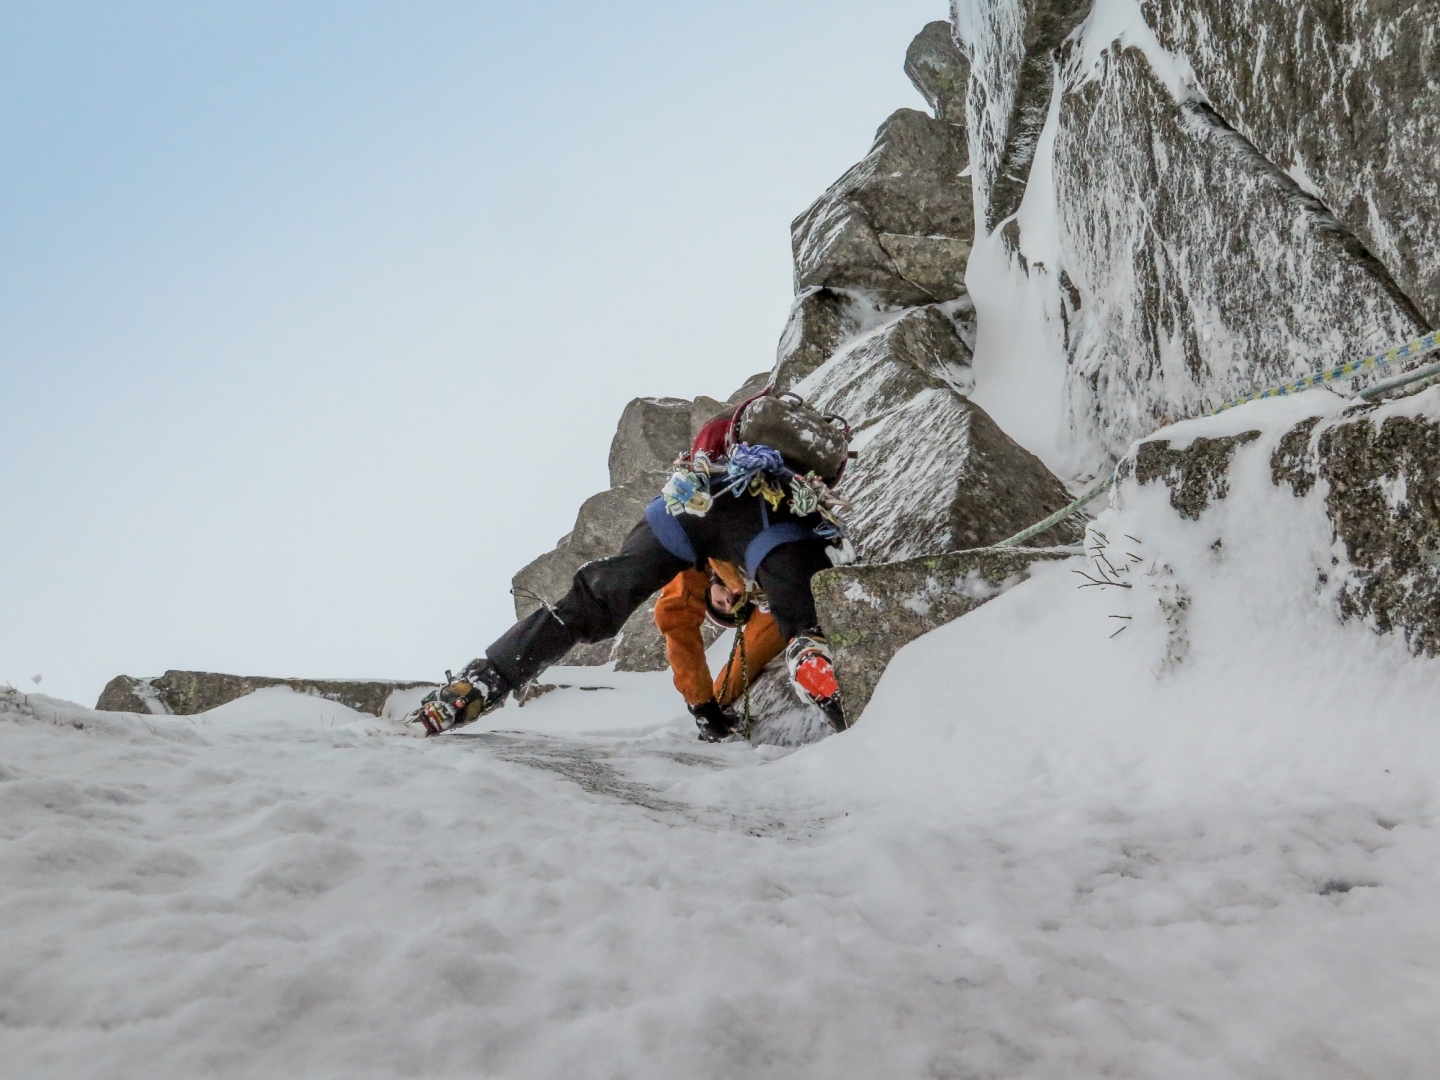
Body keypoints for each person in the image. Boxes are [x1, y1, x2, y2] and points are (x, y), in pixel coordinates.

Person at [405, 391, 851, 740]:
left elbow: (708, 635)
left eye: (726, 604)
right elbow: (679, 624)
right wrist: (706, 707)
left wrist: (707, 706)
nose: (731, 596)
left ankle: (487, 678)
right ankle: (812, 655)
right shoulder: (703, 579)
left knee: (599, 596)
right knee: (793, 598)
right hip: (753, 517)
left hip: (693, 501)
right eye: (729, 601)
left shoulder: (726, 583)